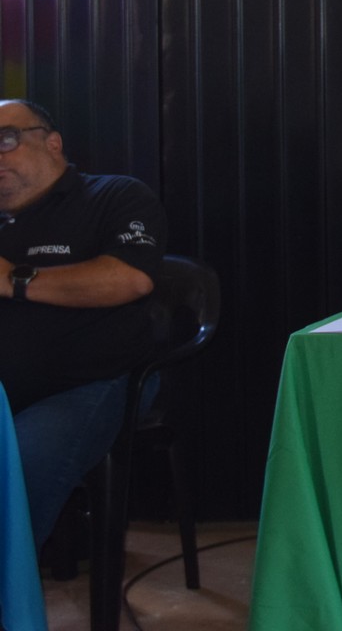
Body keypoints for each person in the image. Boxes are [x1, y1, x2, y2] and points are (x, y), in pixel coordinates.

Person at [0, 99, 164, 547]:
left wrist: (13, 279)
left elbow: (130, 279)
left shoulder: (114, 196)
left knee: (19, 462)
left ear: (52, 142)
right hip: (6, 389)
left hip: (92, 381)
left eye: (6, 140)